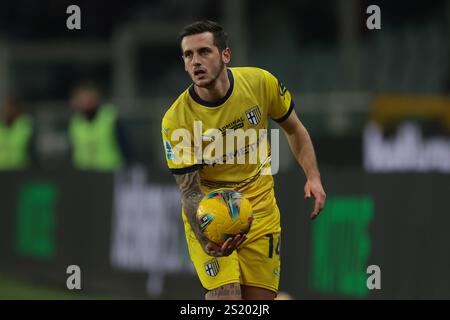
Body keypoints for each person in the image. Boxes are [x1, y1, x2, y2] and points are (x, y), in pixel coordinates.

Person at [161, 20, 326, 300]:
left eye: (204, 52)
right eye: (188, 55)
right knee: (226, 295)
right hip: (211, 217)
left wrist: (313, 176)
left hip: (259, 212)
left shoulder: (260, 83)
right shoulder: (177, 119)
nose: (196, 62)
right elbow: (189, 191)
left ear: (226, 55)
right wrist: (207, 240)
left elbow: (295, 128)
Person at [68, 82, 131, 171]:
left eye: (89, 99)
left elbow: (125, 145)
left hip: (109, 170)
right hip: (82, 173)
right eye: (81, 100)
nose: (86, 103)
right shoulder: (74, 122)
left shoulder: (110, 118)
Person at [0, 96, 35, 170]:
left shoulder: (24, 125)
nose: (8, 111)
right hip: (2, 169)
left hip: (19, 168)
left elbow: (29, 147)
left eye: (11, 108)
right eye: (6, 108)